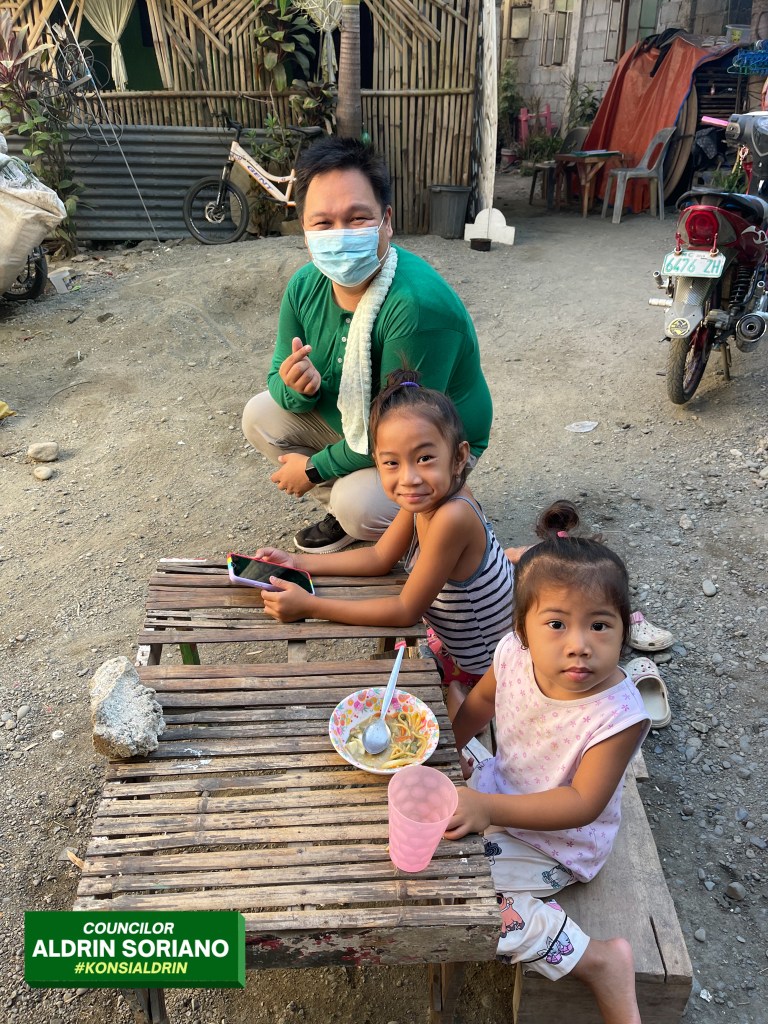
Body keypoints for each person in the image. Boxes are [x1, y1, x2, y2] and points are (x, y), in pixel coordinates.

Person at [446, 501, 650, 1024]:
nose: (579, 646)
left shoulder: (619, 716)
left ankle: (599, 962)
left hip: (558, 841)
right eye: (556, 624)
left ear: (625, 630)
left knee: (463, 903)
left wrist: (487, 808)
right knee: (420, 802)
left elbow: (582, 804)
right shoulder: (513, 654)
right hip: (500, 787)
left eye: (600, 626)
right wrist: (450, 747)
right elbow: (483, 702)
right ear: (523, 630)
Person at [242, 136, 492, 554]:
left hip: (432, 440)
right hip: (364, 423)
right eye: (323, 223)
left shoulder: (416, 307)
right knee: (260, 414)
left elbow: (407, 430)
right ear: (304, 230)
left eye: (357, 218)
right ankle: (355, 511)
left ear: (386, 220)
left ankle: (436, 513)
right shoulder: (304, 286)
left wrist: (313, 469)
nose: (340, 235)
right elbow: (278, 377)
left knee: (359, 505)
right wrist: (296, 388)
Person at [253, 368, 514, 687]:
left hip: (486, 666)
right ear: (376, 462)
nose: (409, 478)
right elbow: (379, 557)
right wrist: (296, 562)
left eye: (425, 458)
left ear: (459, 457)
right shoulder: (424, 498)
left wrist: (309, 606)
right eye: (392, 462)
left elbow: (405, 611)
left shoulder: (453, 516)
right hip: (461, 638)